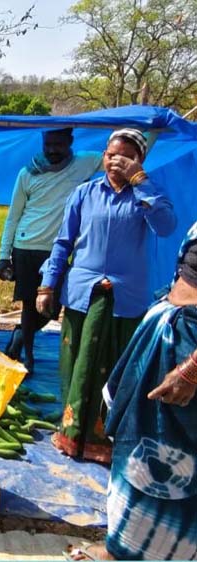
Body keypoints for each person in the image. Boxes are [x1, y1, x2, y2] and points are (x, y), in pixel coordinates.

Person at [37, 128, 176, 464]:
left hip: (125, 300)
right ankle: (71, 436)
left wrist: (141, 182)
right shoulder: (84, 194)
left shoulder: (146, 197)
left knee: (114, 370)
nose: (116, 160)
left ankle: (105, 439)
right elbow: (63, 243)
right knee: (78, 368)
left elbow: (167, 226)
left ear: (138, 161)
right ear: (103, 156)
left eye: (125, 156)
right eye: (111, 154)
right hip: (83, 294)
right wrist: (47, 285)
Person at [64, 221, 197, 561]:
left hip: (186, 356)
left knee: (168, 466)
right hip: (173, 332)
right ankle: (121, 548)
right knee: (139, 453)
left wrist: (192, 367)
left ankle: (149, 552)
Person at [0, 128, 103, 373]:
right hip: (25, 247)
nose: (53, 150)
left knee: (51, 308)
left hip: (57, 250)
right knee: (28, 304)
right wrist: (4, 257)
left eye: (59, 144)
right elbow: (13, 217)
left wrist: (151, 130)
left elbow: (124, 157)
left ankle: (20, 337)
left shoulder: (84, 163)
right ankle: (28, 359)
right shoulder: (28, 173)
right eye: (49, 145)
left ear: (70, 142)